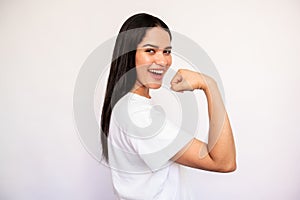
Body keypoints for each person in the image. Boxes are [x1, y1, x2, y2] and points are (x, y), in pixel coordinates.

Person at [100, 13, 236, 200]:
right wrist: (209, 85)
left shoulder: (126, 106)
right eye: (150, 50)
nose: (163, 61)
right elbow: (223, 161)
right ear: (129, 54)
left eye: (166, 51)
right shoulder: (138, 115)